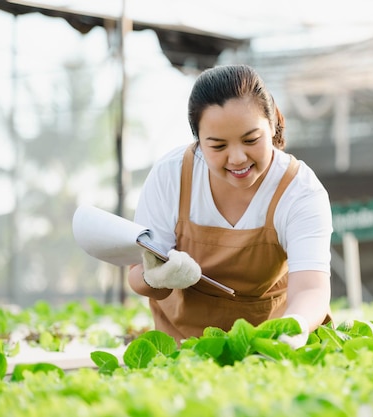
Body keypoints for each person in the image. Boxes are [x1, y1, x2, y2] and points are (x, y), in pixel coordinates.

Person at [128, 64, 333, 348]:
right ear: (198, 141)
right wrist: (155, 277)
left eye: (251, 140)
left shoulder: (299, 190)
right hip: (184, 348)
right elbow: (137, 278)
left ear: (272, 125)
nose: (237, 158)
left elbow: (311, 288)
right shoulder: (170, 176)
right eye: (218, 146)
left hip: (270, 346)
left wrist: (293, 328)